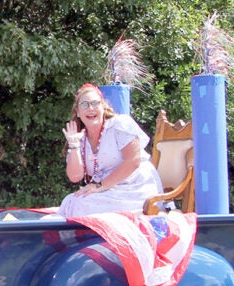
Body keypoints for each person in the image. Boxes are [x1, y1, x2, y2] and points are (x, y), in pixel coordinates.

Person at [57, 83, 162, 217]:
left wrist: (100, 186)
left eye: (95, 103)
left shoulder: (119, 124)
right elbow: (75, 177)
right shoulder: (81, 137)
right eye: (84, 105)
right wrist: (74, 145)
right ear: (77, 111)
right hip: (109, 189)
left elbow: (133, 161)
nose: (90, 108)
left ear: (103, 107)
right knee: (70, 201)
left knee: (81, 205)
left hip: (136, 188)